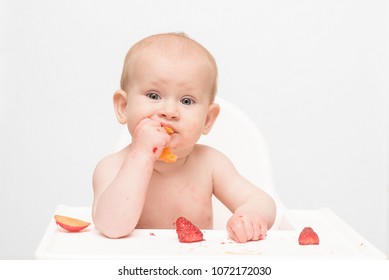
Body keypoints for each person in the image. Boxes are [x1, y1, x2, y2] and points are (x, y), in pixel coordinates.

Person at [92, 32, 276, 243]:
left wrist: (251, 215)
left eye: (186, 101)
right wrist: (142, 154)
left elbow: (262, 202)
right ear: (124, 107)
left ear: (207, 119)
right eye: (154, 95)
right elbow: (111, 227)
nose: (170, 111)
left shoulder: (211, 164)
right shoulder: (111, 167)